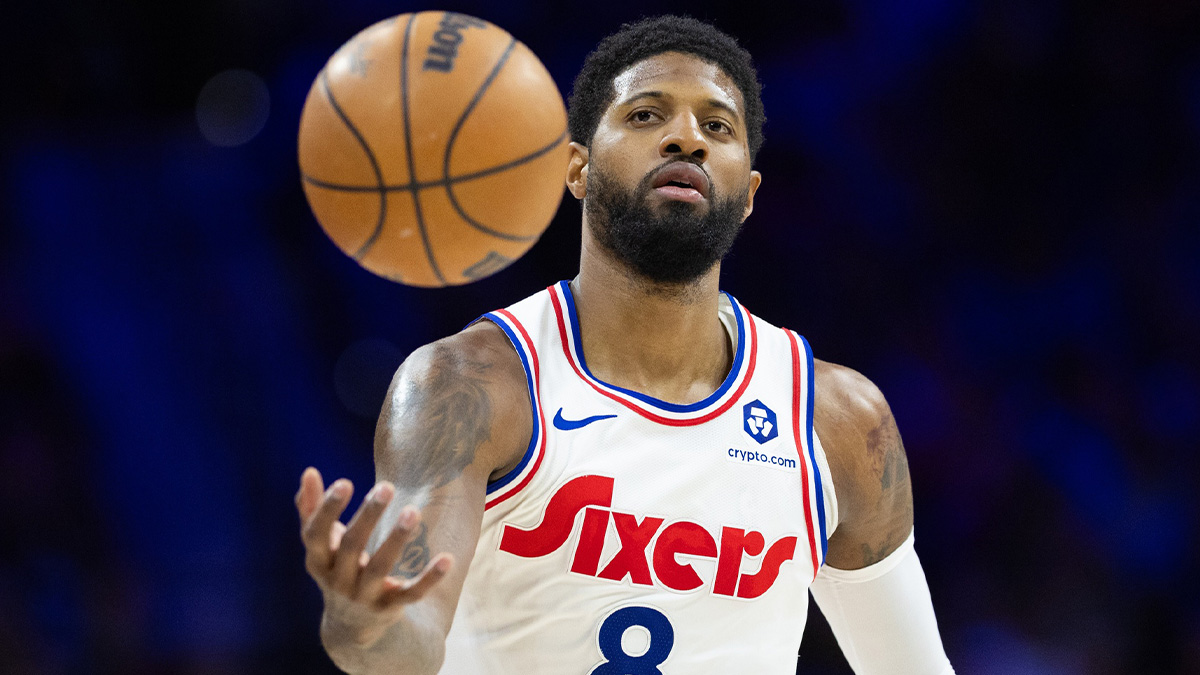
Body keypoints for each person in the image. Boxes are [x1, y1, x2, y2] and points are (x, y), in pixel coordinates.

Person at [295, 15, 955, 675]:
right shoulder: (471, 385)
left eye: (718, 126)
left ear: (749, 193)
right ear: (576, 168)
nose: (686, 138)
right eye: (645, 116)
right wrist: (364, 621)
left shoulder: (837, 423)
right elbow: (405, 639)